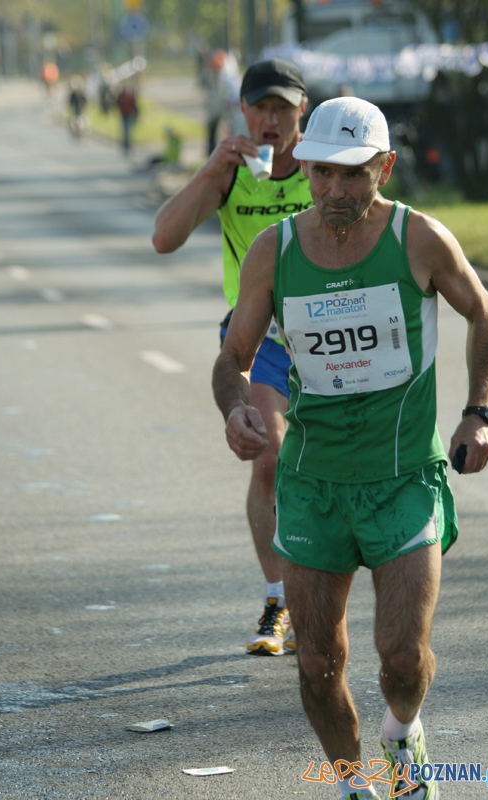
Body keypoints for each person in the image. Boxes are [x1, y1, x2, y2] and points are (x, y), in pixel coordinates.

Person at [212, 96, 488, 799]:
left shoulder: (419, 238)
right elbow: (234, 356)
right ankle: (352, 788)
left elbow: (483, 312)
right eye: (321, 175)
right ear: (303, 168)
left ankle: (403, 738)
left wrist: (478, 413)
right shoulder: (273, 250)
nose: (334, 192)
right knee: (316, 663)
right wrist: (236, 408)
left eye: (353, 174)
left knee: (401, 656)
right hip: (313, 483)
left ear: (384, 167)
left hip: (403, 475)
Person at [152, 60, 313, 656]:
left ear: (304, 110)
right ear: (242, 111)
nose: (270, 121)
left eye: (282, 108)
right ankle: (280, 598)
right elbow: (164, 238)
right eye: (259, 108)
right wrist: (212, 169)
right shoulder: (232, 176)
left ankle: (319, 592)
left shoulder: (325, 170)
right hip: (260, 337)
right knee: (269, 456)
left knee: (329, 467)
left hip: (326, 335)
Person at [116, 82, 139, 155]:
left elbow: (135, 106)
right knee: (125, 130)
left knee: (129, 131)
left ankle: (128, 144)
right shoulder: (122, 95)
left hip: (130, 115)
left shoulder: (131, 96)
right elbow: (118, 103)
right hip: (124, 115)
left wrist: (136, 114)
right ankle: (125, 144)